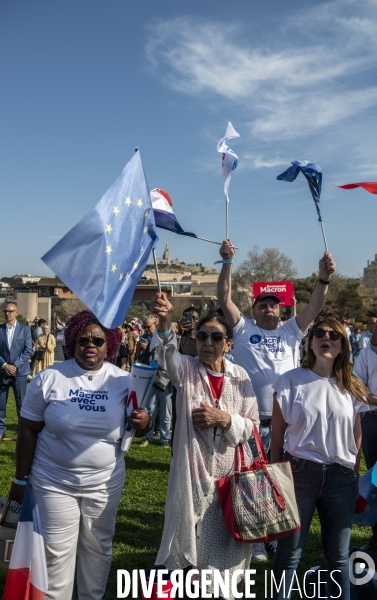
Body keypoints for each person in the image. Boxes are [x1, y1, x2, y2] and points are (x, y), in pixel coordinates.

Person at [8, 310, 151, 600]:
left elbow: (139, 424)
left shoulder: (124, 381)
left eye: (98, 340)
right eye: (83, 339)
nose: (90, 345)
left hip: (105, 483)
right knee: (55, 554)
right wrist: (20, 480)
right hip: (53, 481)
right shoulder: (49, 378)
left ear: (109, 344)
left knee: (98, 548)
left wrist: (144, 423)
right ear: (72, 341)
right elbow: (27, 430)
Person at [217, 239, 336, 560]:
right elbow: (223, 297)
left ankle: (274, 537)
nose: (268, 309)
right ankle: (255, 541)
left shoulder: (291, 330)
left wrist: (323, 279)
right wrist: (227, 262)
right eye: (262, 305)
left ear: (281, 308)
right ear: (254, 310)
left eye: (273, 305)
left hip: (288, 422)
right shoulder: (242, 330)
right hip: (250, 423)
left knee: (281, 481)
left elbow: (315, 307)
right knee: (251, 480)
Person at [150, 292, 259, 600]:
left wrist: (225, 419)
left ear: (229, 343)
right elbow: (168, 355)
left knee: (227, 557)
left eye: (215, 337)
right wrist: (165, 321)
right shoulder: (187, 371)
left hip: (231, 484)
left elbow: (252, 427)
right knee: (188, 556)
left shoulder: (241, 378)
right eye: (201, 336)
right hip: (193, 478)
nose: (207, 342)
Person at [270, 316, 371, 600]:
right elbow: (277, 434)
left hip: (341, 478)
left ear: (342, 347)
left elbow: (357, 434)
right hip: (298, 474)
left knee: (338, 557)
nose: (326, 338)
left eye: (334, 335)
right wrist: (276, 476)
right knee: (290, 554)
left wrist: (353, 472)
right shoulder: (290, 381)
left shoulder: (352, 386)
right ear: (310, 343)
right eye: (320, 333)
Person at [353, 321, 377, 552]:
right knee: (375, 480)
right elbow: (357, 387)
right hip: (373, 422)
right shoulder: (367, 354)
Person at [0, 302, 33, 441]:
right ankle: (1, 430)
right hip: (2, 371)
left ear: (16, 313)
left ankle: (22, 430)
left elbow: (28, 350)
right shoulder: (0, 329)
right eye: (5, 311)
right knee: (1, 403)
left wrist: (15, 365)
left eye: (10, 311)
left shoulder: (25, 329)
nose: (7, 313)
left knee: (21, 403)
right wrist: (5, 365)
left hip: (19, 372)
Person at [139, 315, 172, 448]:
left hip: (165, 380)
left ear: (155, 323)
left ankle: (165, 439)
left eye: (148, 326)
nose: (146, 329)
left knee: (165, 411)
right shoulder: (148, 340)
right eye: (144, 327)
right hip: (151, 380)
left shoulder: (164, 337)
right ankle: (148, 436)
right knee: (149, 411)